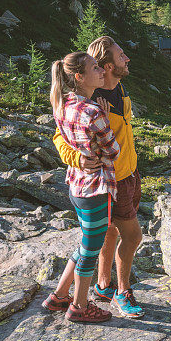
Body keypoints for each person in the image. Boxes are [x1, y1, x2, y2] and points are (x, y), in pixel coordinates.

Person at [52, 36, 145, 319]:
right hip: (108, 179)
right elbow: (60, 136)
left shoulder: (120, 90)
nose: (126, 59)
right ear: (106, 66)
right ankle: (122, 291)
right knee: (132, 236)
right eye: (121, 56)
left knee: (109, 232)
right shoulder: (91, 99)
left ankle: (103, 286)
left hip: (129, 173)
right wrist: (77, 158)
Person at [43, 51, 120, 323]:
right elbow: (113, 151)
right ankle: (79, 306)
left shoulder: (62, 103)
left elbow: (66, 139)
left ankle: (60, 295)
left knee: (86, 242)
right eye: (95, 67)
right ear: (79, 76)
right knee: (90, 249)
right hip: (96, 189)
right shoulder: (93, 112)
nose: (101, 71)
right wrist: (106, 122)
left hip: (76, 187)